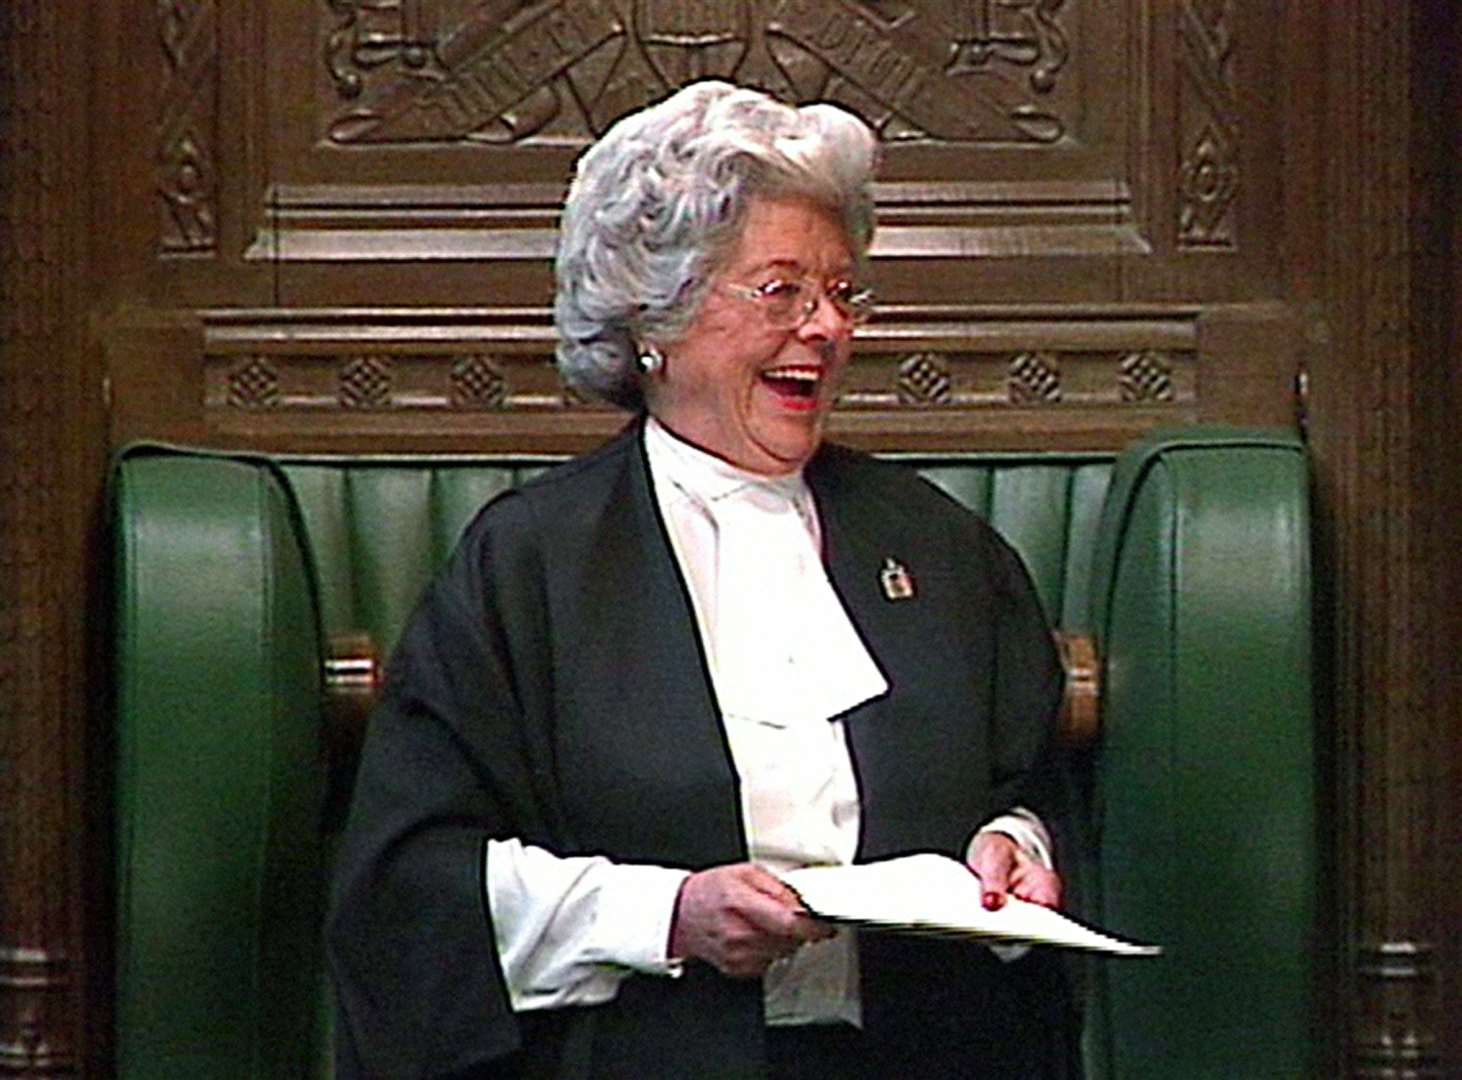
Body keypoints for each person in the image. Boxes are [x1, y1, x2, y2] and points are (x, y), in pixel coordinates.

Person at [327, 81, 1078, 1079]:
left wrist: (1014, 845)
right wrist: (666, 918)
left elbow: (1032, 786)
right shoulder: (529, 566)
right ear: (657, 317)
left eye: (843, 293)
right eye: (780, 291)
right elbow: (408, 887)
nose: (826, 328)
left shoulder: (940, 548)